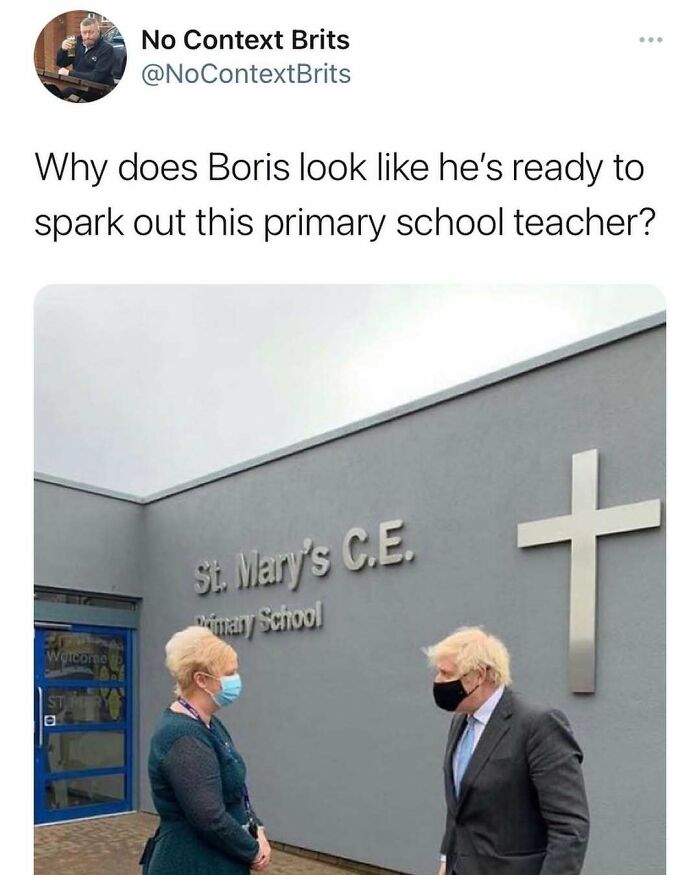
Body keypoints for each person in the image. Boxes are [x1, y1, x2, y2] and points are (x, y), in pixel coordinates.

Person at [426, 627, 589, 875]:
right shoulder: (461, 720)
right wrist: (446, 859)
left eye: (446, 673)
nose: (438, 680)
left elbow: (570, 828)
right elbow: (459, 808)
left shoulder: (538, 725)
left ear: (479, 675)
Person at [146, 626, 271, 874]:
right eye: (230, 673)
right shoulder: (183, 737)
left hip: (217, 860)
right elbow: (209, 817)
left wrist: (257, 829)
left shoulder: (208, 723)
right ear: (201, 680)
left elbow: (235, 790)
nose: (236, 679)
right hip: (193, 863)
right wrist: (252, 850)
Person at [45, 17, 114, 101]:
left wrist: (69, 73)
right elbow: (62, 63)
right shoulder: (76, 43)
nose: (87, 36)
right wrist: (62, 50)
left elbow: (96, 77)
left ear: (98, 31)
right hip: (78, 87)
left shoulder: (106, 49)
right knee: (52, 91)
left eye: (91, 32)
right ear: (80, 32)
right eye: (84, 33)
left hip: (98, 91)